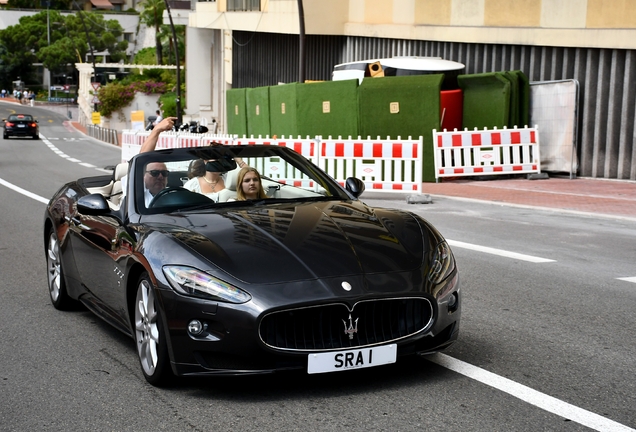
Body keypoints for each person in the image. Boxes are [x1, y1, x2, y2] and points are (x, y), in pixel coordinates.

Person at [121, 117, 177, 206]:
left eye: (164, 173)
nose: (160, 177)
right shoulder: (136, 194)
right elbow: (141, 159)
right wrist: (156, 130)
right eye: (155, 173)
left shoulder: (174, 196)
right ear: (142, 175)